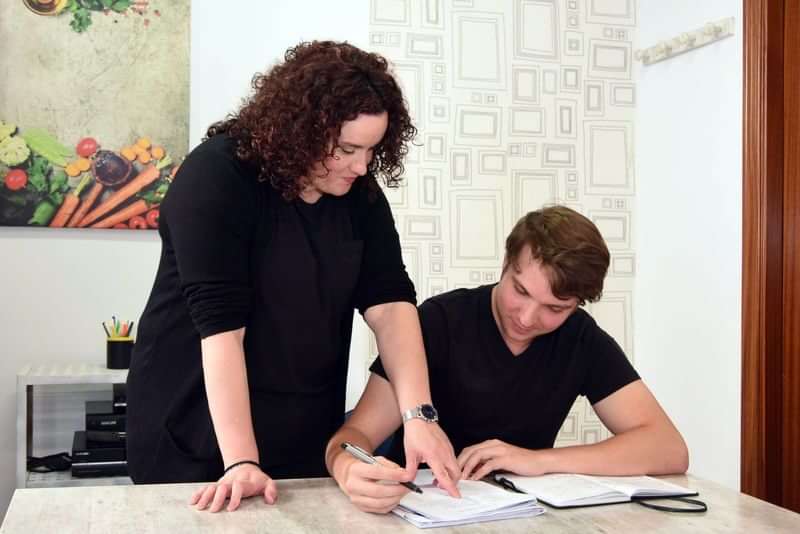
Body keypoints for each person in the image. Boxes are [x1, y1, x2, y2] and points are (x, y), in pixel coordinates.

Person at [126, 40, 460, 513]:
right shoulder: (218, 176)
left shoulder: (357, 195)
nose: (362, 166)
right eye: (346, 149)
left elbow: (390, 304)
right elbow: (222, 329)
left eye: (371, 150)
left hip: (300, 427)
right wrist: (240, 459)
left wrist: (419, 416)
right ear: (300, 130)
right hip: (195, 427)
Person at [326, 205, 689, 514]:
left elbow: (668, 448)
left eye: (555, 308)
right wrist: (347, 469)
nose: (528, 318)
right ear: (505, 263)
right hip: (429, 512)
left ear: (577, 304)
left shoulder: (580, 338)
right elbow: (351, 437)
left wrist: (537, 460)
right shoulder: (439, 322)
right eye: (521, 291)